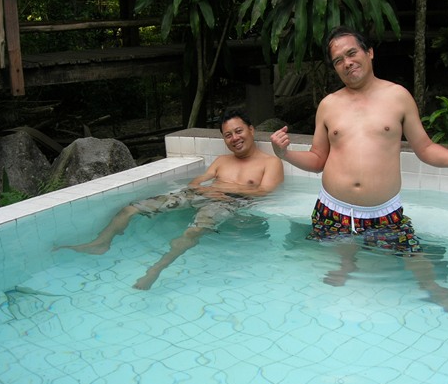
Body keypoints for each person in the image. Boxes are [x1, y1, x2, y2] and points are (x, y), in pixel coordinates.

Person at [270, 26, 448, 312]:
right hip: (334, 208)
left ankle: (433, 288)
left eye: (352, 53)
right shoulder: (328, 105)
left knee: (411, 251)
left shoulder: (398, 97)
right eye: (338, 60)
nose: (347, 63)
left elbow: (425, 147)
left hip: (384, 211)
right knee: (343, 248)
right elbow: (318, 159)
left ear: (369, 52)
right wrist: (285, 154)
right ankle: (347, 264)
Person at [57, 110, 284, 290]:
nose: (235, 138)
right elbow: (195, 182)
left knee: (193, 231)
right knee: (132, 208)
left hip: (231, 202)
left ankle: (156, 269)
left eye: (238, 131)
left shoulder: (270, 162)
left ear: (251, 130)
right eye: (228, 135)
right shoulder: (222, 160)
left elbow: (264, 191)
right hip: (202, 194)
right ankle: (101, 242)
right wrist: (203, 190)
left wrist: (224, 188)